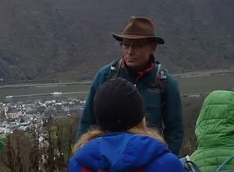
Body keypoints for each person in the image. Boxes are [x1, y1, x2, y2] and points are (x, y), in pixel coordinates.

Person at [78, 16, 184, 155]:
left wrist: (166, 160)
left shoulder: (164, 83)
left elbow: (174, 130)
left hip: (148, 158)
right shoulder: (105, 77)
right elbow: (87, 122)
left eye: (138, 46)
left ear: (152, 48)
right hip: (107, 158)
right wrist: (84, 155)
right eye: (126, 45)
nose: (130, 51)